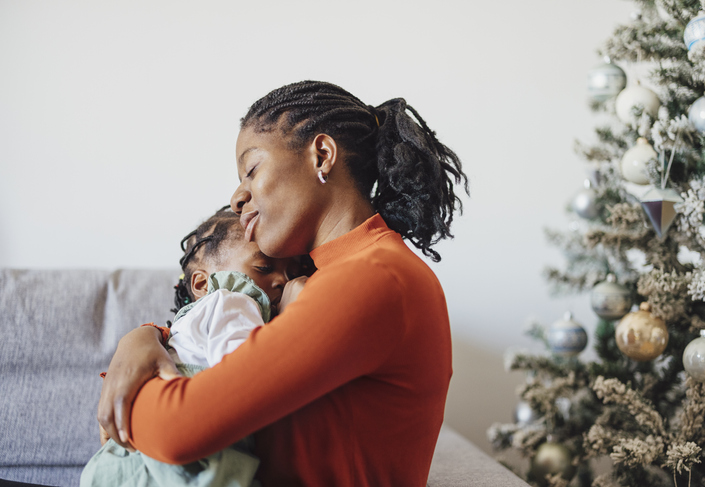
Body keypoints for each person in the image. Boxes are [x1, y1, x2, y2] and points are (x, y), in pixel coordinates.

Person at [98, 80, 469, 486]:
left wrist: (125, 399)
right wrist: (143, 339)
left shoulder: (372, 277)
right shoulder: (327, 275)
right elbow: (220, 363)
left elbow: (176, 430)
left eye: (252, 169)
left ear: (322, 155)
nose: (238, 197)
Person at [82, 206, 303, 487]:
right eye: (264, 267)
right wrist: (293, 317)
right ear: (201, 282)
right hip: (189, 463)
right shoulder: (235, 300)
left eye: (293, 272)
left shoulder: (184, 326)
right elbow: (247, 370)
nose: (283, 281)